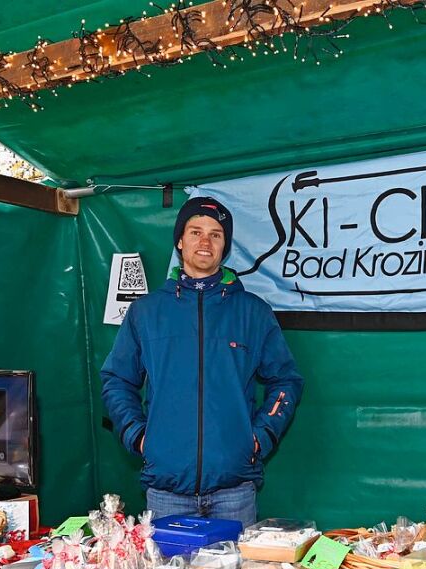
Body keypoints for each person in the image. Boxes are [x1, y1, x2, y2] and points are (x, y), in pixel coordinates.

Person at [101, 196, 304, 526]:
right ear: (180, 241)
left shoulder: (252, 312)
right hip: (165, 493)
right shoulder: (146, 312)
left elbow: (287, 382)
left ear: (224, 246)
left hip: (234, 493)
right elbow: (116, 380)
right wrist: (139, 436)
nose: (205, 242)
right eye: (195, 232)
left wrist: (259, 437)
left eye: (216, 234)